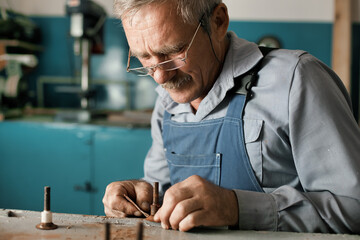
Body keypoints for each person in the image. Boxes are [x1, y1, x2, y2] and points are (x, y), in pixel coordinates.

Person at [103, 0, 360, 233]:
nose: (160, 77)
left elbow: (353, 209)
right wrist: (140, 196)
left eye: (174, 51)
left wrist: (238, 208)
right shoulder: (167, 102)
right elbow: (159, 199)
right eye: (144, 58)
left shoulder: (296, 80)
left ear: (218, 22)